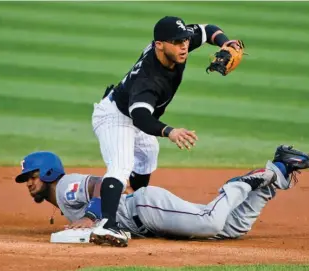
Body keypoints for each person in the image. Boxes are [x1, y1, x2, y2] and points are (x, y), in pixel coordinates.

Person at [90, 15, 246, 247]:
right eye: (177, 41)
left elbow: (206, 29)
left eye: (184, 40)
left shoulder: (178, 47)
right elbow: (141, 117)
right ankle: (107, 224)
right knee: (121, 165)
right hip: (116, 115)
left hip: (134, 114)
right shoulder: (149, 79)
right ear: (159, 45)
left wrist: (225, 42)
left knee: (148, 154)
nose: (184, 45)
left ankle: (133, 208)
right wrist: (169, 131)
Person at [15, 145, 309, 246]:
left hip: (146, 207)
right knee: (233, 229)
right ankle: (277, 172)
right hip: (148, 221)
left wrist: (91, 216)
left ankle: (247, 180)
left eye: (30, 177)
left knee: (209, 222)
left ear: (48, 173)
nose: (28, 184)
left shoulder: (67, 185)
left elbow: (104, 183)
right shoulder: (63, 200)